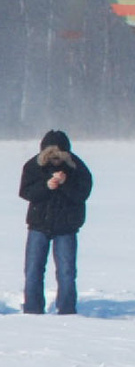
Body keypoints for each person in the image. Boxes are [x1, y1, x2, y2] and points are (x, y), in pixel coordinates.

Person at [19, 130, 93, 315]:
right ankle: (32, 310)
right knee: (33, 270)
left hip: (66, 227)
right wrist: (46, 186)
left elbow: (82, 194)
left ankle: (67, 310)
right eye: (50, 155)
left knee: (66, 272)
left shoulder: (78, 168)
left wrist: (66, 183)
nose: (55, 159)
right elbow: (25, 192)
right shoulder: (32, 166)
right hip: (38, 225)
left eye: (58, 155)